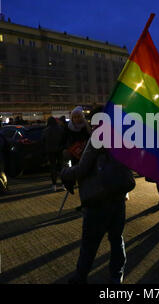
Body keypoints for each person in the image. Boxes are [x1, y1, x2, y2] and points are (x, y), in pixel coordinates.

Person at [61, 106, 131, 284]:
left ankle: (80, 276)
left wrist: (65, 173)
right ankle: (117, 276)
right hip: (118, 198)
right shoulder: (121, 137)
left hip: (97, 200)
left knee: (89, 244)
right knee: (117, 239)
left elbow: (83, 169)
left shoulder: (97, 137)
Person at [42, 117, 65, 192]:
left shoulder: (46, 130)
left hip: (50, 151)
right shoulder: (61, 129)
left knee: (53, 168)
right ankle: (63, 184)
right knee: (61, 167)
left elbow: (43, 141)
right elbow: (64, 140)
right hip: (59, 150)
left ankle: (54, 185)